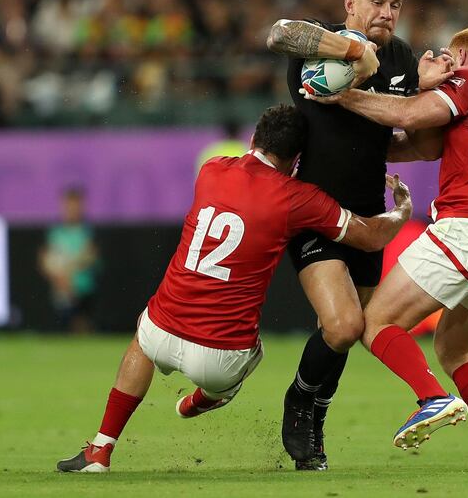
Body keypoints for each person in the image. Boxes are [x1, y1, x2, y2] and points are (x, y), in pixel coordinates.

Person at [56, 104, 412, 473]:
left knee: (141, 342)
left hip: (164, 330)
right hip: (221, 357)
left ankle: (100, 450)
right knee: (251, 354)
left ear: (254, 138)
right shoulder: (297, 198)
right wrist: (402, 209)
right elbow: (371, 238)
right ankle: (212, 395)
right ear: (296, 159)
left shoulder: (211, 170)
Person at [304, 26, 468, 473]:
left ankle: (432, 398)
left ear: (465, 54)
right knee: (454, 351)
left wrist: (342, 96)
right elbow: (411, 143)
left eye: (449, 57)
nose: (444, 64)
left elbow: (413, 114)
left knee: (375, 322)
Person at [266, 0, 453, 470]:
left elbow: (416, 144)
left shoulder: (401, 58)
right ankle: (300, 402)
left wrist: (432, 92)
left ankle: (316, 415)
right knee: (345, 324)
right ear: (350, 4)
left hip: (369, 219)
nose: (386, 12)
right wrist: (354, 52)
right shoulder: (317, 43)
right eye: (376, 1)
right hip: (315, 212)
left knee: (360, 327)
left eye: (395, 4)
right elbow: (279, 32)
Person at [38, 186, 100, 333]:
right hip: (62, 292)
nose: (73, 209)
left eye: (76, 205)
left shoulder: (87, 231)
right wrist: (59, 278)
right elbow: (45, 260)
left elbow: (91, 255)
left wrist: (72, 269)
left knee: (83, 328)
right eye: (69, 205)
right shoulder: (55, 232)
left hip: (84, 291)